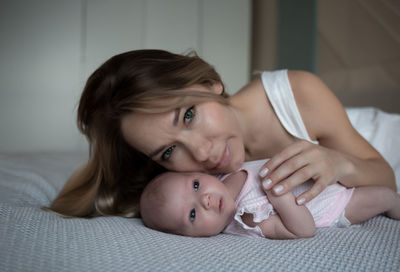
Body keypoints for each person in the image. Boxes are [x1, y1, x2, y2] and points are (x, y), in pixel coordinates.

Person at [48, 49, 397, 218]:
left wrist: (339, 165)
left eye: (188, 115)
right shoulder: (183, 182)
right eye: (168, 152)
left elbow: (387, 180)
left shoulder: (297, 93)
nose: (201, 153)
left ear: (210, 84)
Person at [140, 159, 400, 239]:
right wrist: (280, 194)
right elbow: (303, 230)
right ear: (191, 236)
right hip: (334, 204)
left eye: (196, 185)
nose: (205, 200)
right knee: (385, 196)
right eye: (193, 214)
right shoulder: (248, 220)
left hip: (324, 175)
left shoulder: (227, 172)